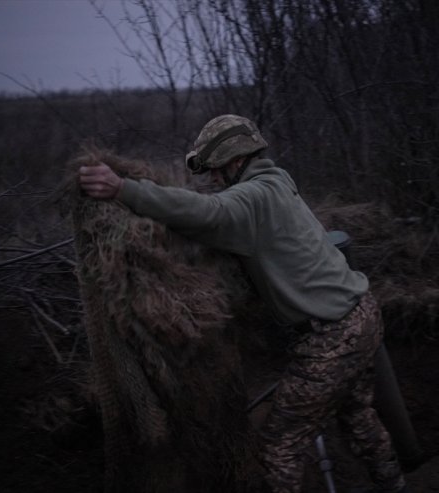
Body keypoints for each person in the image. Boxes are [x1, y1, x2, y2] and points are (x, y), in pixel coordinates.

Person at [79, 114, 409, 493]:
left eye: (216, 171)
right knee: (359, 418)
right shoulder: (279, 180)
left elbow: (211, 213)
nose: (214, 181)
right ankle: (395, 485)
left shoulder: (253, 198)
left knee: (278, 449)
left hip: (333, 337)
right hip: (363, 314)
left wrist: (123, 189)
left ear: (236, 161)